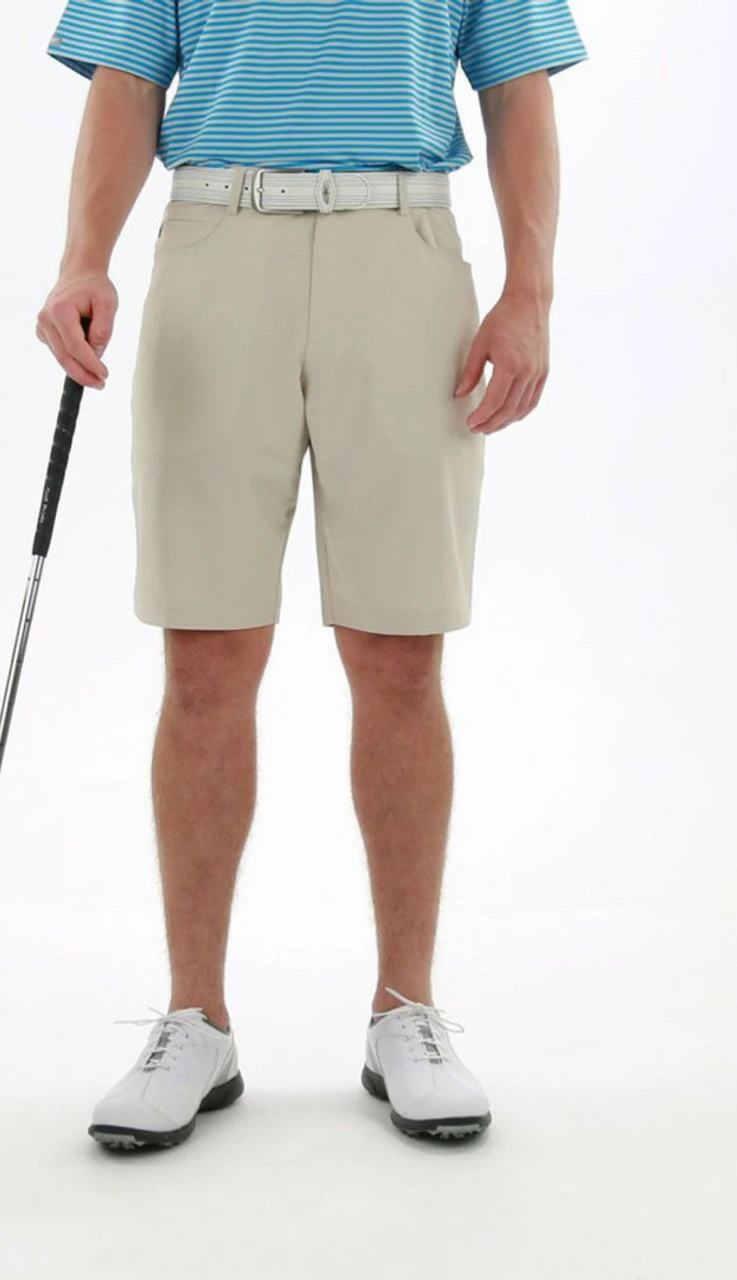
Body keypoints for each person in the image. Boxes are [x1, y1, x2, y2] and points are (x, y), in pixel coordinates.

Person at [38, 0, 587, 1149]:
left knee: (400, 652)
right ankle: (195, 1018)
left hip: (404, 244)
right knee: (204, 653)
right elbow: (128, 79)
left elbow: (516, 84)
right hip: (216, 235)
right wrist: (84, 256)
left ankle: (405, 1009)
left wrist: (530, 289)